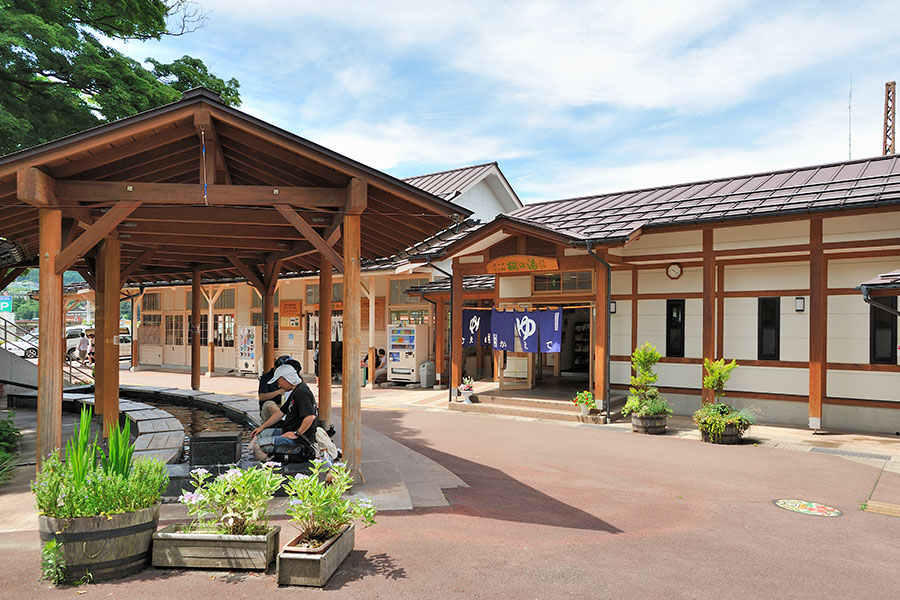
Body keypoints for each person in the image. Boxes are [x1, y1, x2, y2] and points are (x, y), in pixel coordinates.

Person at [250, 363, 318, 461]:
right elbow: (280, 412)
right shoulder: (295, 391)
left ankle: (266, 467)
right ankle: (263, 457)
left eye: (279, 381)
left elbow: (310, 417)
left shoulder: (301, 392)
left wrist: (297, 434)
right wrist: (262, 427)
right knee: (260, 434)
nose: (278, 385)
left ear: (286, 379)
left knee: (258, 446)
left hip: (298, 440)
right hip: (288, 432)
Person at [257, 355, 302, 423]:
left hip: (288, 406)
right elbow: (261, 397)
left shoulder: (295, 379)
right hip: (274, 407)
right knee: (269, 404)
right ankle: (286, 421)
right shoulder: (266, 378)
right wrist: (279, 392)